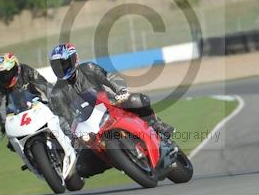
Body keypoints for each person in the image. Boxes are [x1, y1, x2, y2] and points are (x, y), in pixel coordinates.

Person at [47, 43, 174, 178]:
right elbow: (64, 119)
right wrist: (74, 138)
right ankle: (118, 159)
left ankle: (156, 124)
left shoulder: (89, 68)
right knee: (82, 167)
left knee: (137, 100)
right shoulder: (56, 93)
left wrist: (120, 90)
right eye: (57, 66)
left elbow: (110, 78)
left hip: (110, 105)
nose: (61, 68)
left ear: (74, 59)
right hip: (89, 128)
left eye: (64, 63)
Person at [0, 52, 54, 150]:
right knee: (12, 143)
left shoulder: (26, 70)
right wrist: (4, 125)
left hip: (36, 106)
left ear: (16, 67)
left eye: (8, 73)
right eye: (1, 75)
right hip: (15, 114)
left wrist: (56, 100)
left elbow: (45, 86)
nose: (5, 77)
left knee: (60, 121)